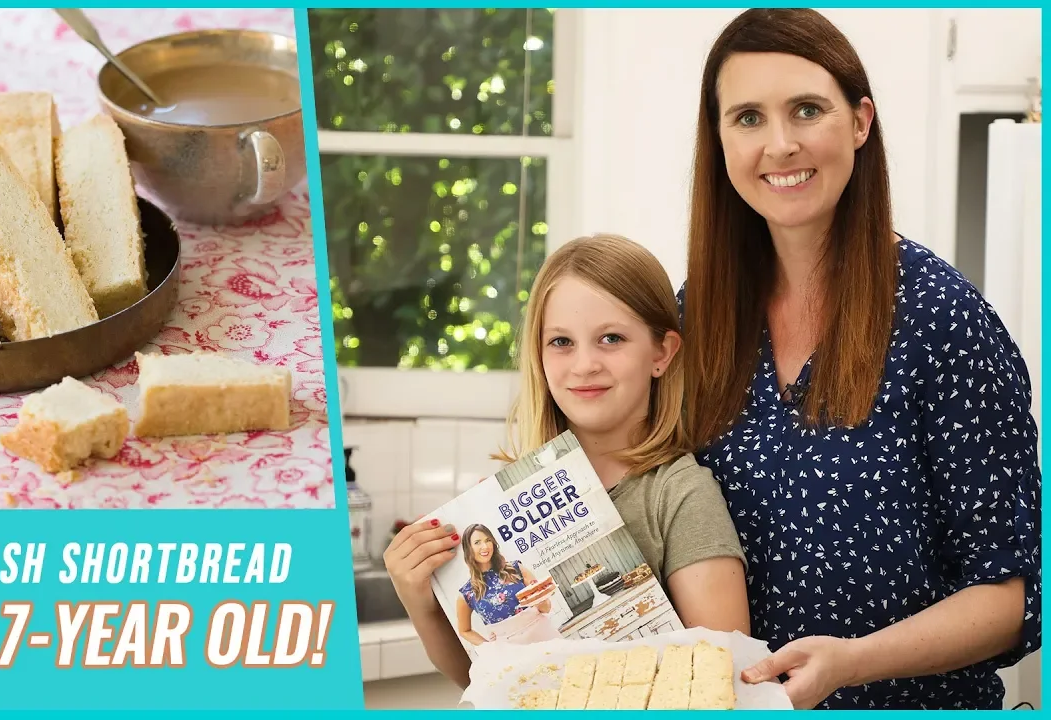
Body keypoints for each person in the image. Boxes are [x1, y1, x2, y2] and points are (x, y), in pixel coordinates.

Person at [678, 8, 1042, 710]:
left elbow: (1014, 594)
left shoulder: (943, 320)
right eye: (747, 117)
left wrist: (854, 663)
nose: (779, 144)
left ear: (860, 122)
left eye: (806, 110)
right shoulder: (698, 316)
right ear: (719, 140)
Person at [383, 234, 751, 690]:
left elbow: (724, 679)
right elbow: (477, 679)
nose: (584, 364)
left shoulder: (677, 494)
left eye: (611, 338)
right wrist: (417, 596)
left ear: (660, 353)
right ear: (539, 355)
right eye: (561, 342)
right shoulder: (504, 498)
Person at [454, 524, 559, 646]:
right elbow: (464, 631)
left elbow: (546, 608)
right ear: (469, 549)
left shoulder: (516, 569)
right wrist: (490, 647)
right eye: (477, 542)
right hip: (511, 650)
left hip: (543, 635)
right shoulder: (467, 593)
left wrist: (541, 599)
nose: (485, 546)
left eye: (488, 540)